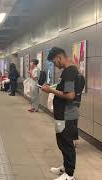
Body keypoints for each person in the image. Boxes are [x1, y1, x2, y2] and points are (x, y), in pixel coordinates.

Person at [41, 47, 83, 180]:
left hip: (67, 114)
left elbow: (70, 95)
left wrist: (50, 91)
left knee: (66, 142)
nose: (55, 65)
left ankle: (69, 175)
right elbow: (67, 90)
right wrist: (54, 88)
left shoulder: (69, 72)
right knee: (61, 141)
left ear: (59, 57)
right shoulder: (69, 71)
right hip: (63, 114)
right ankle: (65, 167)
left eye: (54, 62)